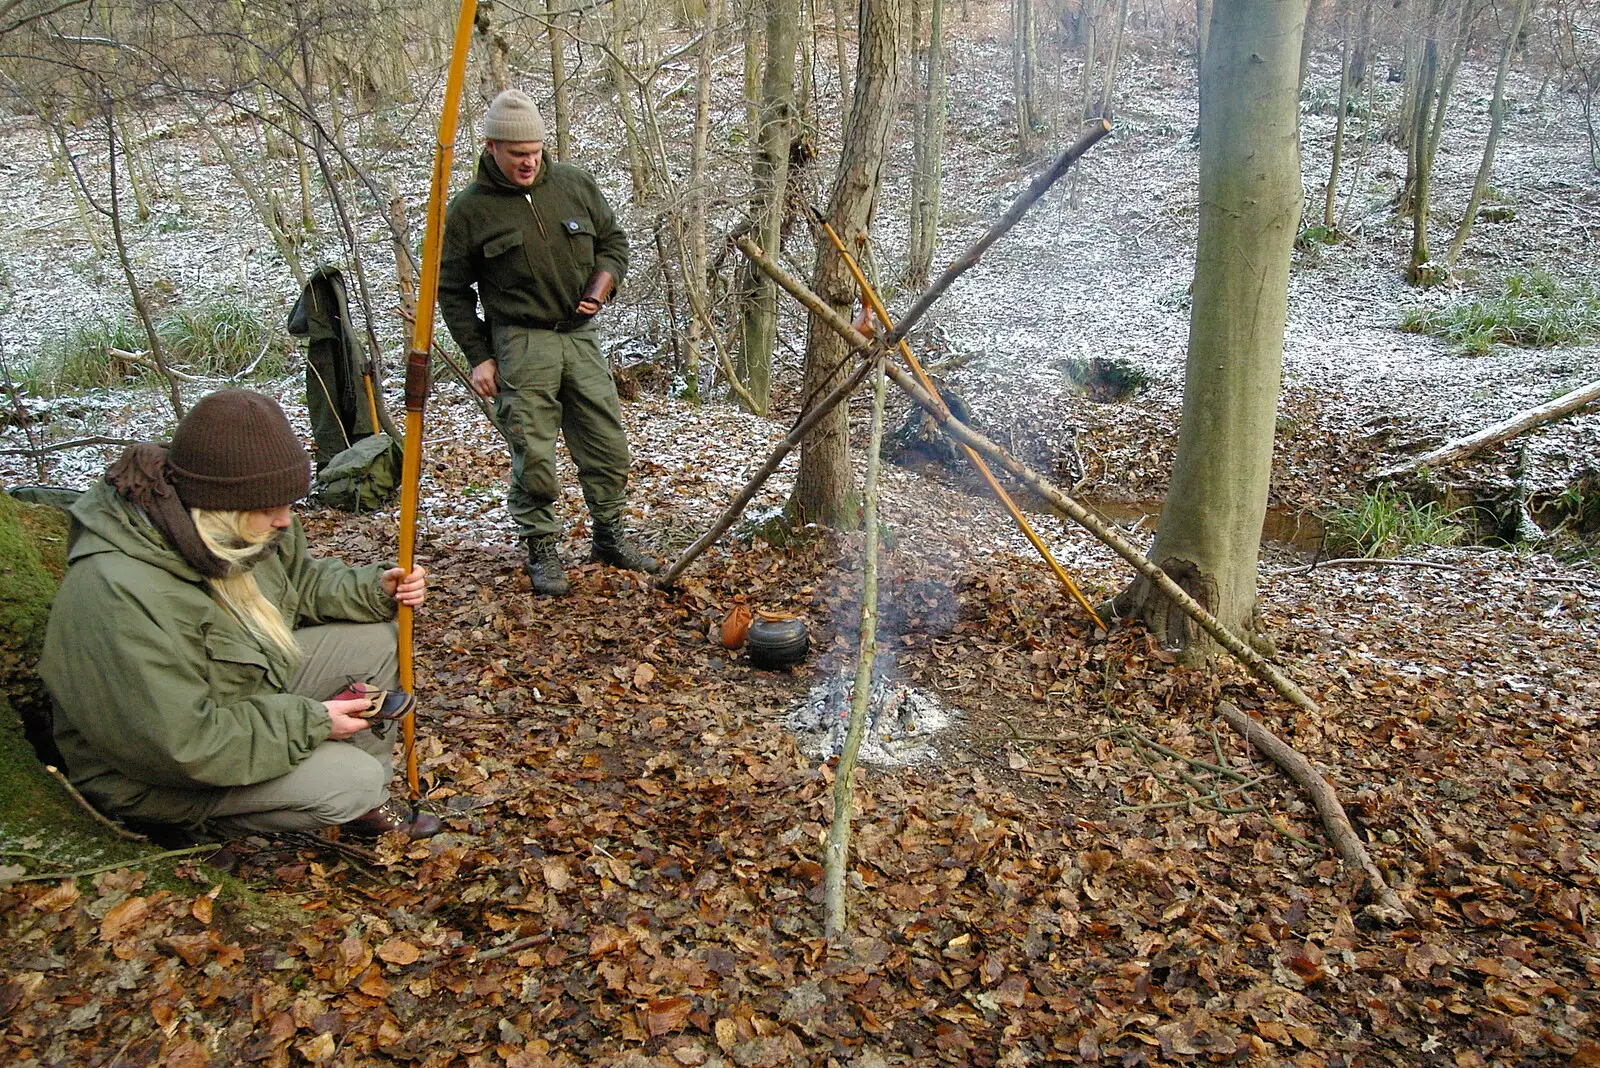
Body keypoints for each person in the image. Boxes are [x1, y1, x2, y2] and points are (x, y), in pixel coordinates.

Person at [38, 390, 440, 843]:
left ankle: (367, 802)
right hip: (155, 774)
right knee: (351, 781)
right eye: (271, 509)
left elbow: (298, 583)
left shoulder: (234, 524)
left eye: (289, 504)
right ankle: (176, 825)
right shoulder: (118, 590)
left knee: (375, 640)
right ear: (219, 504)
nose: (286, 521)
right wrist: (312, 723)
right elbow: (183, 745)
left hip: (239, 692)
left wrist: (373, 589)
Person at [439, 87, 657, 597]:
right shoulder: (469, 210)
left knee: (607, 444)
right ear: (492, 147)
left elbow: (614, 242)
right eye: (518, 154)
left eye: (535, 151)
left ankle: (609, 536)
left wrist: (604, 284)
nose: (529, 162)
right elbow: (451, 291)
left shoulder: (575, 184)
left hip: (580, 338)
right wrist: (480, 357)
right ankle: (541, 547)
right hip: (520, 342)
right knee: (533, 453)